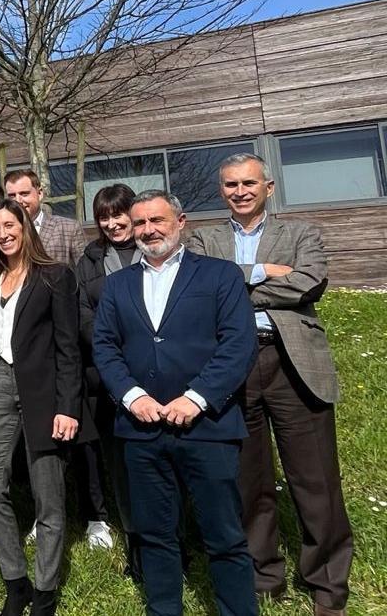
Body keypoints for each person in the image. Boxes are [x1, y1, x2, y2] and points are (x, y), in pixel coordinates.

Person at [186, 154, 352, 615]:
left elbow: (310, 283)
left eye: (248, 183)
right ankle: (263, 575)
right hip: (232, 366)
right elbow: (201, 287)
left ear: (269, 187)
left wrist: (238, 281)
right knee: (248, 479)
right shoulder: (203, 237)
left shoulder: (302, 233)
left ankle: (327, 583)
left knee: (315, 478)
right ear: (221, 190)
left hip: (291, 362)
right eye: (230, 185)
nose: (239, 191)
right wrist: (268, 271)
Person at [93, 189, 258, 616]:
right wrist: (133, 397)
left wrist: (196, 398)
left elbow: (238, 345)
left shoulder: (220, 276)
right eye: (140, 223)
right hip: (142, 429)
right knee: (154, 533)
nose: (148, 230)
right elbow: (105, 348)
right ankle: (163, 609)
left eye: (157, 221)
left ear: (180, 222)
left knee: (224, 535)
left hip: (208, 428)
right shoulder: (117, 284)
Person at [0, 198, 91, 616]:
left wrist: (68, 406)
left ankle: (45, 589)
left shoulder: (55, 276)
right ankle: (15, 581)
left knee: (48, 497)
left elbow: (68, 347)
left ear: (26, 227)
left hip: (43, 393)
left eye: (10, 225)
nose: (3, 233)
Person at [74, 185, 140, 571]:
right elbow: (84, 314)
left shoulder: (152, 250)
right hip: (103, 371)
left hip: (153, 371)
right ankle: (100, 516)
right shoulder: (91, 259)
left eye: (119, 214)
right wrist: (113, 352)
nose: (113, 223)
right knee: (101, 452)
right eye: (104, 216)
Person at [4, 169, 87, 267]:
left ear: (40, 194)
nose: (18, 200)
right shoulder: (2, 233)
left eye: (24, 194)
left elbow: (86, 274)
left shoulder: (69, 228)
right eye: (12, 196)